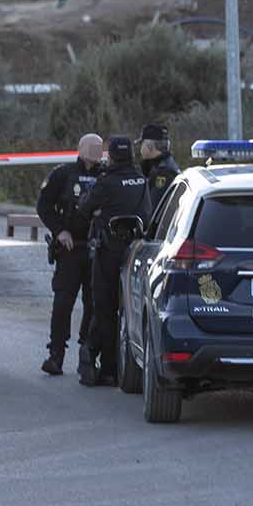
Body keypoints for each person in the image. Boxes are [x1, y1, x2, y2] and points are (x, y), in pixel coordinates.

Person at [75, 135, 150, 387]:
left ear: (111, 155)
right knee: (130, 308)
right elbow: (147, 216)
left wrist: (98, 210)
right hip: (136, 251)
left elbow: (84, 209)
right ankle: (120, 365)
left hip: (109, 251)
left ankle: (107, 366)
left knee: (105, 308)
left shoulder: (106, 182)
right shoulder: (141, 179)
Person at [34, 133, 103, 376]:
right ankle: (56, 355)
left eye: (99, 148)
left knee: (94, 304)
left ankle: (88, 353)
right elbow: (43, 206)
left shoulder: (106, 175)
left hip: (97, 249)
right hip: (70, 250)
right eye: (90, 147)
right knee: (63, 303)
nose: (95, 152)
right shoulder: (63, 174)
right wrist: (60, 230)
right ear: (80, 148)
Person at [139, 123, 180, 211]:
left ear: (149, 146)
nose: (140, 148)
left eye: (141, 144)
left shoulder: (163, 173)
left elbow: (151, 210)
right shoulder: (165, 165)